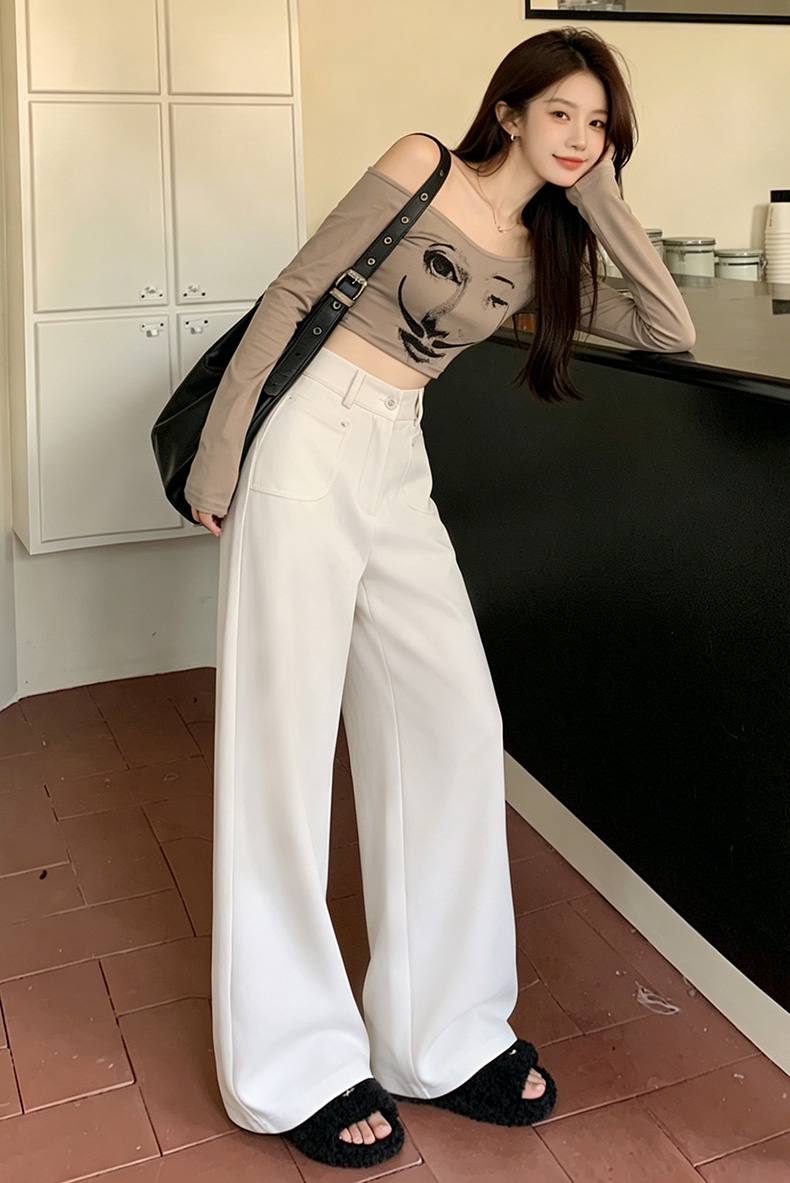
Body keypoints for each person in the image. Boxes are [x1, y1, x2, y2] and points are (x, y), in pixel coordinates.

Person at [186, 26, 694, 1170]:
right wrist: (220, 455)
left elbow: (671, 326)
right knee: (281, 746)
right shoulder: (423, 165)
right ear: (507, 110)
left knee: (451, 719)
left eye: (599, 124)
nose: (579, 136)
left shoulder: (543, 251)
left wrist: (599, 196)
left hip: (396, 457)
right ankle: (291, 1062)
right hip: (308, 437)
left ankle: (440, 1035)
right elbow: (297, 290)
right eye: (560, 113)